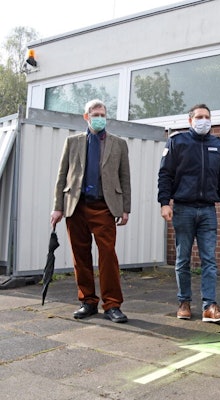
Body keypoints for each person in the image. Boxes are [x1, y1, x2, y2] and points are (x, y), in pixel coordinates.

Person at [50, 99, 131, 323]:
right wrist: (57, 207)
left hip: (104, 207)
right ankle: (88, 301)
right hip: (75, 206)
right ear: (86, 117)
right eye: (95, 114)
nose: (100, 118)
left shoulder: (118, 144)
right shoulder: (72, 142)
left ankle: (112, 305)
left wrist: (125, 209)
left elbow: (125, 177)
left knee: (108, 256)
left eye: (103, 114)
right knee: (80, 256)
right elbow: (62, 175)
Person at [158, 104, 220, 323]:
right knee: (183, 259)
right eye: (199, 117)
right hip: (183, 208)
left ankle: (209, 306)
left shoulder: (218, 145)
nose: (204, 120)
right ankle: (184, 303)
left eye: (207, 117)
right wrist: (164, 203)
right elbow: (165, 174)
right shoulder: (177, 142)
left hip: (208, 210)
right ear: (190, 120)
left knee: (209, 259)